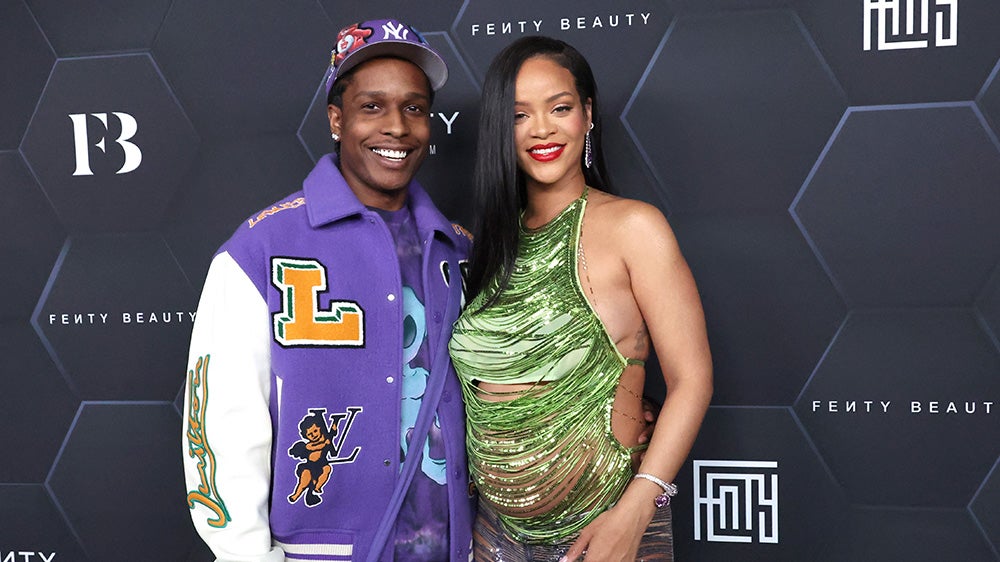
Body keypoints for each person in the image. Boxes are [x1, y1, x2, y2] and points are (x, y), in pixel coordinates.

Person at [182, 19, 476, 562]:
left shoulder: (458, 250)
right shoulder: (260, 249)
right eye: (372, 107)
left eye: (414, 108)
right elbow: (221, 427)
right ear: (337, 119)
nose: (396, 127)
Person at [449, 36, 713, 561]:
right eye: (520, 115)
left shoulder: (634, 227)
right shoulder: (490, 245)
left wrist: (636, 510)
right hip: (494, 536)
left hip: (606, 531)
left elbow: (693, 379)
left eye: (560, 108)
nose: (542, 129)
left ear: (587, 115)